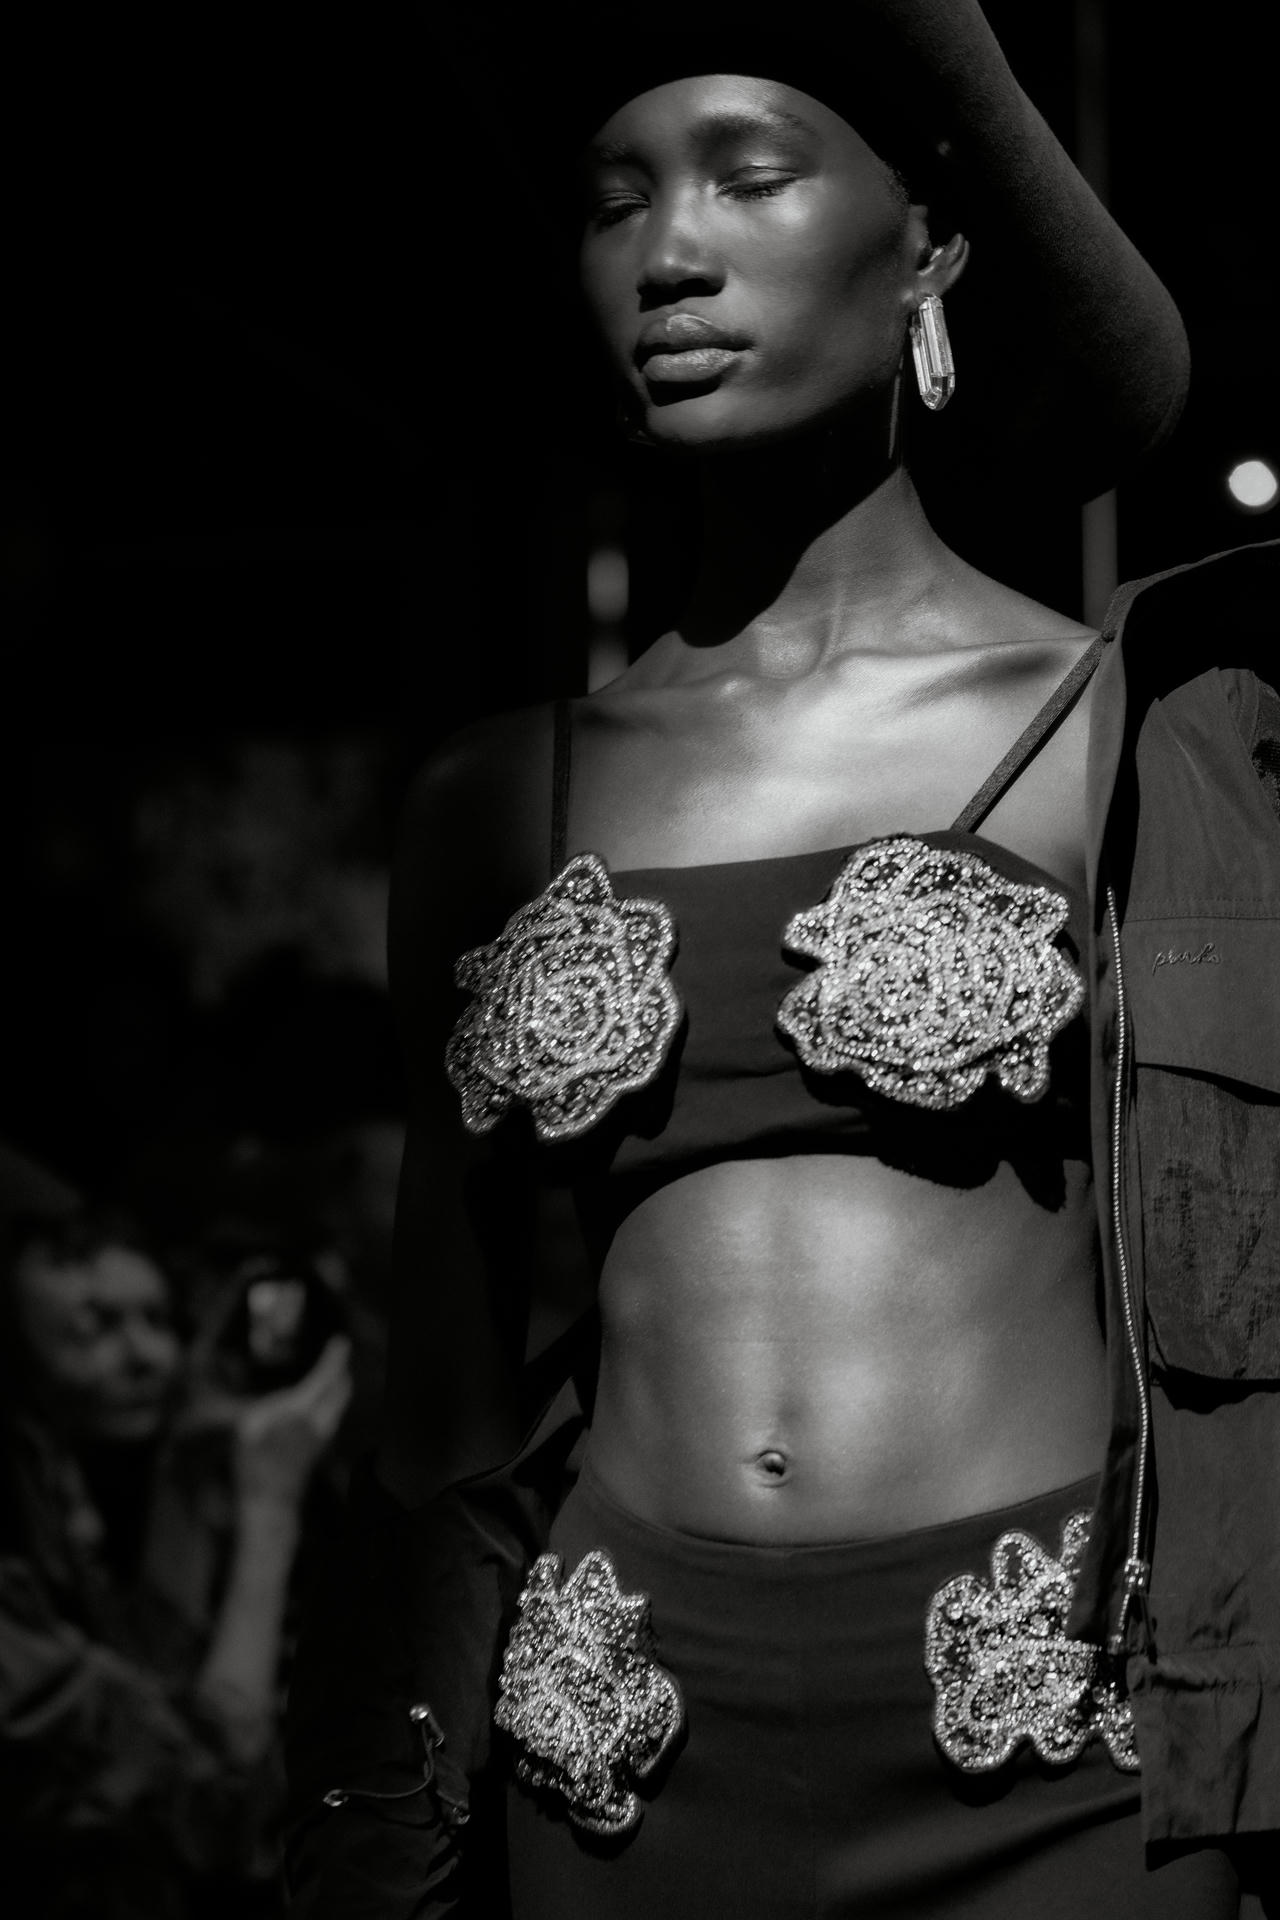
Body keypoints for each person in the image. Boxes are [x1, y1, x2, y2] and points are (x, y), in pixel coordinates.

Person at [285, 5, 1280, 1915]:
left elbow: (1247, 1312)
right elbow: (446, 1408)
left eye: (749, 176)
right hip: (616, 1762)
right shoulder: (495, 797)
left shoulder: (1131, 726)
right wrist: (375, 1825)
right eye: (615, 201)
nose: (670, 251)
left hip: (1058, 1758)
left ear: (931, 252)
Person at [0, 1149, 352, 1917]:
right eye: (96, 1325)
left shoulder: (101, 1480)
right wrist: (268, 1502)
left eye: (159, 1320)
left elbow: (168, 1685)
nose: (146, 1358)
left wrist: (190, 1479)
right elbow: (214, 1797)